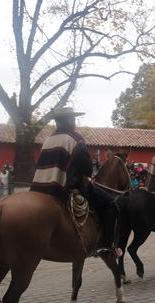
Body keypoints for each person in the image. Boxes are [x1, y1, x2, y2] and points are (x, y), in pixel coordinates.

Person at [29, 106, 120, 256]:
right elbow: (86, 169)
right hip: (65, 188)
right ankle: (106, 246)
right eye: (73, 119)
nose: (74, 122)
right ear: (69, 121)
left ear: (57, 122)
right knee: (111, 205)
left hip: (40, 189)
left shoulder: (48, 140)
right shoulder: (76, 139)